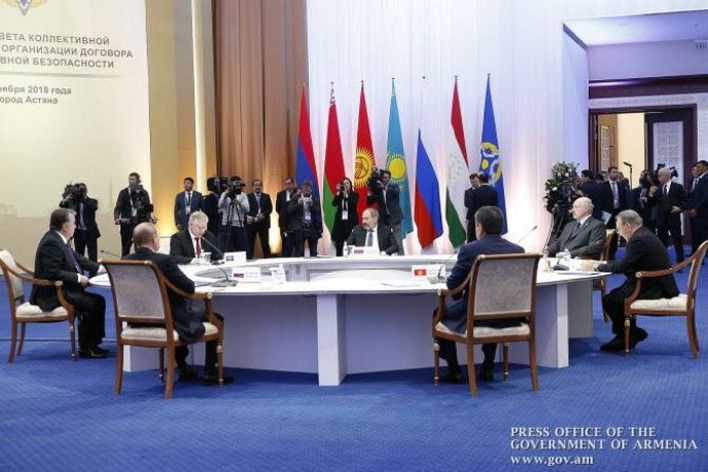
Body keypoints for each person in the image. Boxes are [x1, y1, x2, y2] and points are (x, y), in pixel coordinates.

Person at [125, 223, 232, 384]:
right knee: (215, 318)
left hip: (137, 319)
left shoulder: (125, 261)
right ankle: (210, 371)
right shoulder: (163, 260)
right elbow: (188, 287)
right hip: (167, 318)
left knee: (179, 314)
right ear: (154, 240)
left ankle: (183, 367)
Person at [434, 206, 524, 383]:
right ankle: (488, 365)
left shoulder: (470, 250)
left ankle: (454, 369)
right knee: (492, 306)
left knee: (439, 313)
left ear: (480, 227)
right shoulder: (518, 250)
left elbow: (452, 284)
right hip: (509, 316)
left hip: (475, 315)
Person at [581, 210, 679, 352]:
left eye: (619, 229)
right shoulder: (643, 234)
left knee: (611, 300)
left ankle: (627, 337)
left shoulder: (638, 240)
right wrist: (602, 264)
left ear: (628, 226)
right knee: (614, 296)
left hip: (655, 287)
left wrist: (596, 266)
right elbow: (628, 263)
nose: (619, 233)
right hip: (652, 281)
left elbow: (623, 266)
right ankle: (630, 334)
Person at [30, 208, 107, 359]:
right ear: (65, 226)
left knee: (97, 301)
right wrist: (78, 278)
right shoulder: (51, 243)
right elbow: (51, 273)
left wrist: (100, 268)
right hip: (51, 293)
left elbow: (77, 257)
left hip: (64, 287)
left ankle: (93, 344)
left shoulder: (58, 239)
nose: (76, 226)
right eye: (74, 223)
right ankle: (87, 347)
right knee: (93, 303)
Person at [114, 172, 155, 256]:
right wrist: (116, 217)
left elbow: (148, 208)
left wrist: (150, 218)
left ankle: (140, 262)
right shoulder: (123, 192)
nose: (130, 181)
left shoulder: (143, 192)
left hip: (140, 223)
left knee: (140, 247)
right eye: (129, 179)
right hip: (127, 223)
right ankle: (125, 263)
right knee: (125, 248)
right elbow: (118, 207)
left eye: (133, 179)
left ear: (138, 181)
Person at [59, 182, 101, 262]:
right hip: (79, 233)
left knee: (93, 257)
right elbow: (62, 205)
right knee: (79, 257)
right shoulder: (74, 202)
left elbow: (94, 207)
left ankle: (93, 269)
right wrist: (67, 198)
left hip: (90, 233)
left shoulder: (92, 201)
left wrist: (82, 198)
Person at [366, 169, 404, 255]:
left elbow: (397, 192)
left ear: (390, 178)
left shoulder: (394, 186)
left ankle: (402, 258)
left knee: (398, 241)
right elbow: (370, 202)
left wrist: (384, 188)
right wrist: (369, 192)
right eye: (383, 177)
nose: (384, 179)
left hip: (395, 217)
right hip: (384, 219)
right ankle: (387, 258)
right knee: (385, 241)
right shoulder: (378, 189)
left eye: (386, 177)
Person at [656, 167, 686, 264]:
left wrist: (680, 208)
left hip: (673, 218)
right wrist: (650, 196)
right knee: (661, 242)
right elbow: (654, 202)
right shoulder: (658, 188)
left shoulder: (677, 187)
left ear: (667, 176)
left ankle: (680, 262)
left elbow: (685, 200)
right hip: (661, 219)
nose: (658, 177)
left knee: (677, 241)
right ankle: (663, 262)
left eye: (660, 175)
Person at [287, 180, 322, 257]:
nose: (306, 192)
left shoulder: (315, 199)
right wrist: (298, 205)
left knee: (313, 252)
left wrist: (311, 205)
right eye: (305, 190)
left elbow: (317, 211)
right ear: (302, 189)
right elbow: (289, 210)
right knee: (299, 251)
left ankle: (314, 265)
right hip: (300, 227)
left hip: (312, 227)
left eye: (308, 190)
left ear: (311, 190)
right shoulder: (295, 198)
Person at [218, 176, 249, 253]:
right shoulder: (225, 194)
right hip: (226, 224)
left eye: (239, 184)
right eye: (236, 184)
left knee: (241, 247)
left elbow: (247, 209)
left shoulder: (243, 195)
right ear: (231, 185)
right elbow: (219, 205)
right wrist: (225, 195)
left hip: (239, 224)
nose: (238, 186)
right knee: (227, 247)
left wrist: (239, 203)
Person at [465, 173, 498, 243]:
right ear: (488, 180)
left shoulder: (475, 192)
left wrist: (468, 218)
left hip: (478, 218)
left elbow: (472, 206)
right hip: (490, 218)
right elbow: (495, 206)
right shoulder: (494, 191)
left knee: (474, 237)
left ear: (479, 180)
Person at [685, 160, 708, 257]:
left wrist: (696, 209)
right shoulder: (699, 179)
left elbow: (705, 198)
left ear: (705, 167)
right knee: (696, 235)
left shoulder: (706, 179)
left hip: (703, 213)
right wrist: (689, 208)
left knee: (702, 235)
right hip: (695, 213)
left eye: (699, 167)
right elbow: (693, 197)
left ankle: (700, 257)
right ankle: (695, 255)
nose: (696, 169)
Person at [331, 177, 359, 256]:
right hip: (340, 222)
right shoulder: (340, 194)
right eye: (344, 183)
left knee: (351, 242)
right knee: (339, 243)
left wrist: (346, 195)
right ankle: (339, 258)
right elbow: (334, 204)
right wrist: (338, 192)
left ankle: (351, 258)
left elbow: (352, 204)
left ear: (350, 185)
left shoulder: (355, 194)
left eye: (347, 183)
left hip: (351, 222)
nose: (346, 185)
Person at [246, 179, 273, 259]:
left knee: (265, 243)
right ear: (253, 186)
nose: (258, 187)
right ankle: (249, 260)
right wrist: (255, 217)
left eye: (259, 185)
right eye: (256, 185)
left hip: (263, 223)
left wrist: (263, 215)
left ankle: (267, 259)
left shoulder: (266, 196)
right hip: (252, 223)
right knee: (250, 243)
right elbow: (246, 209)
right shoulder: (248, 197)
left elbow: (270, 208)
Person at [276, 177, 297, 257]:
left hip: (295, 223)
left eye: (289, 184)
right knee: (285, 242)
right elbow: (278, 208)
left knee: (295, 243)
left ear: (293, 184)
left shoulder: (297, 193)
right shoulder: (280, 194)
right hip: (284, 223)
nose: (288, 186)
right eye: (286, 184)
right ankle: (284, 259)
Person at [463, 173, 480, 242]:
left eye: (476, 181)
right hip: (472, 217)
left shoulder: (483, 191)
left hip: (482, 216)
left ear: (479, 180)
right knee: (471, 237)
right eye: (472, 182)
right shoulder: (467, 192)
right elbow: (466, 203)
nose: (474, 183)